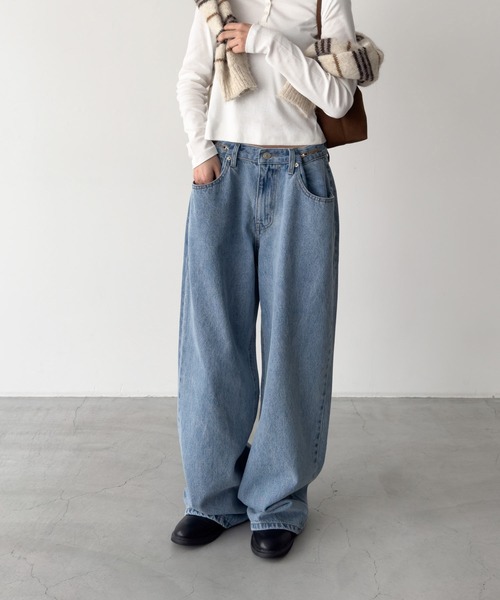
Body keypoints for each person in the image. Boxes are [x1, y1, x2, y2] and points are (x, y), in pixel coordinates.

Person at [172, 0, 357, 559]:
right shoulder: (217, 3)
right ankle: (212, 497)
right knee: (212, 341)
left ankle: (276, 501)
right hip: (223, 174)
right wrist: (200, 152)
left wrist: (267, 42)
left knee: (294, 343)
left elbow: (338, 98)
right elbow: (193, 78)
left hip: (301, 174)